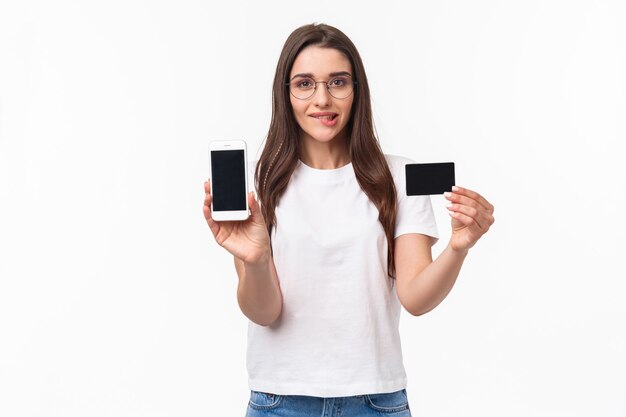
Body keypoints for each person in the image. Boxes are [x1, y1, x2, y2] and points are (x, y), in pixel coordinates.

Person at [203, 23, 495, 417]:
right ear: (285, 94)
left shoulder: (399, 177)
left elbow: (416, 298)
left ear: (357, 90)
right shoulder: (255, 181)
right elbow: (264, 312)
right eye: (304, 84)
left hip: (376, 401)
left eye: (337, 82)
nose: (322, 99)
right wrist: (254, 260)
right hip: (279, 400)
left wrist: (459, 247)